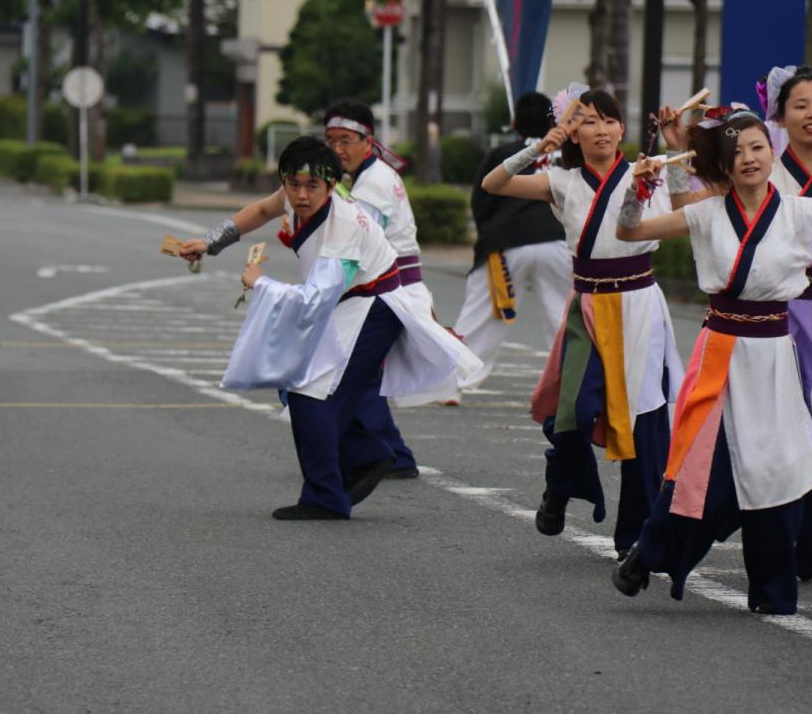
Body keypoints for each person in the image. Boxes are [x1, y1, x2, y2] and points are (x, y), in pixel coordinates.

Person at [610, 108, 812, 614]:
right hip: (721, 353)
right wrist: (637, 191)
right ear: (722, 164)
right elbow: (630, 233)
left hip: (774, 355)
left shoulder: (801, 212)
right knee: (706, 467)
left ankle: (768, 590)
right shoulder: (704, 213)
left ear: (770, 152)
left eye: (756, 147)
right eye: (737, 151)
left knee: (778, 472)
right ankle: (652, 549)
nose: (748, 158)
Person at [178, 137, 479, 520]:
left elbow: (313, 299)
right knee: (310, 389)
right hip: (349, 304)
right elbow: (261, 209)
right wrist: (209, 243)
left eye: (311, 187)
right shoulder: (300, 190)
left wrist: (260, 283)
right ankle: (367, 456)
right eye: (293, 185)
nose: (300, 195)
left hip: (374, 307)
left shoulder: (343, 228)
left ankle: (327, 495)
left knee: (309, 391)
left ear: (333, 183)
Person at [481, 86, 683, 560]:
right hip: (588, 305)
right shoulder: (563, 181)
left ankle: (635, 535)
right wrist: (540, 148)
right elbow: (494, 184)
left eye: (610, 120)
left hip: (638, 305)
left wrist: (675, 150)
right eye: (588, 120)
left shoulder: (646, 172)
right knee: (569, 415)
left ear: (622, 128)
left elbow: (683, 212)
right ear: (573, 129)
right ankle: (560, 485)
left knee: (642, 423)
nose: (602, 130)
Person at [324, 98, 447, 472]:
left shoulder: (372, 184)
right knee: (363, 373)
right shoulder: (369, 175)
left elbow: (360, 246)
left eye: (345, 140)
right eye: (330, 140)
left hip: (389, 291)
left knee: (354, 372)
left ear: (368, 140)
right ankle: (392, 452)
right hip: (393, 288)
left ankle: (381, 451)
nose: (337, 149)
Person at [451, 91, 571, 398]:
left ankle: (454, 384)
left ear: (515, 123)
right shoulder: (568, 157)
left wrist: (487, 236)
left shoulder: (503, 154)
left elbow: (481, 200)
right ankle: (573, 387)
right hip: (559, 242)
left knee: (479, 318)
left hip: (504, 245)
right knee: (564, 320)